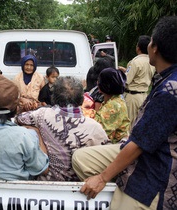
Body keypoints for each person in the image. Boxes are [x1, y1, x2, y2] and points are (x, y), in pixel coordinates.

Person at [72, 16, 177, 209]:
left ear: (155, 48)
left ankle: (121, 179)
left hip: (156, 167)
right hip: (142, 144)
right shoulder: (165, 76)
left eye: (151, 41)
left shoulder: (170, 91)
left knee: (119, 200)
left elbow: (139, 144)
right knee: (80, 159)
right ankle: (119, 171)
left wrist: (103, 178)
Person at [16, 76, 109, 181]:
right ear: (82, 99)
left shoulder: (41, 115)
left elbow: (18, 119)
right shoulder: (95, 128)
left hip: (44, 184)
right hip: (80, 189)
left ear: (54, 96)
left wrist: (37, 132)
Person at [118, 35, 156, 129]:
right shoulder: (151, 61)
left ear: (138, 47)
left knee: (130, 125)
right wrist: (126, 70)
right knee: (141, 124)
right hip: (144, 96)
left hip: (132, 97)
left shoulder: (135, 61)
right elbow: (141, 75)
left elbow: (126, 81)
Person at [94, 67, 130, 143]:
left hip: (114, 145)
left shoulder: (114, 105)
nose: (97, 82)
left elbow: (100, 132)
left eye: (99, 80)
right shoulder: (114, 99)